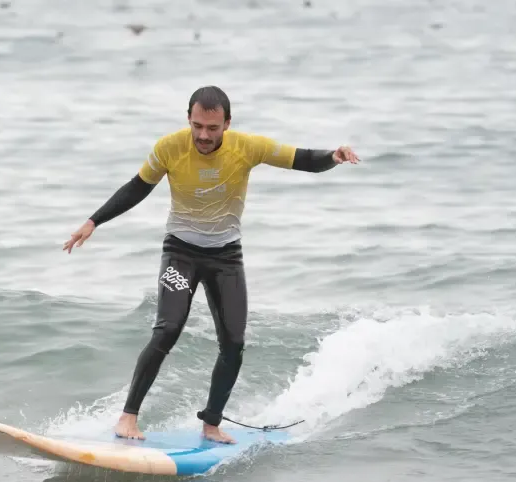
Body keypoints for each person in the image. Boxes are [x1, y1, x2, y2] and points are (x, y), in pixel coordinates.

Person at [63, 86, 359, 444]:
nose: (203, 135)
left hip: (226, 257)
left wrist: (333, 156)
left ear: (227, 123)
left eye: (212, 128)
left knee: (233, 343)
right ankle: (128, 419)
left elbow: (303, 159)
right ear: (188, 119)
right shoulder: (169, 147)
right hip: (180, 253)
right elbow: (137, 187)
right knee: (167, 329)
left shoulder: (248, 147)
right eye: (197, 126)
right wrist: (94, 221)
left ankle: (211, 424)